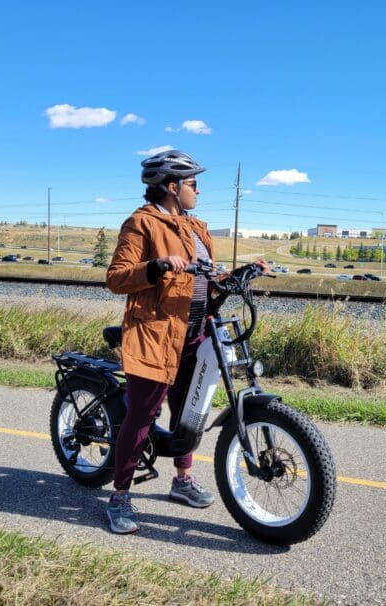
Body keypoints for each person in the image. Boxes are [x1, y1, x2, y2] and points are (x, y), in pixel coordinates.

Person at [105, 149, 265, 534]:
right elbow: (117, 277)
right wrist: (156, 267)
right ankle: (120, 497)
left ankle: (182, 480)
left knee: (188, 412)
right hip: (156, 334)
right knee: (141, 416)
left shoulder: (195, 228)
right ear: (172, 187)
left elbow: (209, 280)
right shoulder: (141, 224)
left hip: (196, 333)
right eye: (193, 183)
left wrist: (244, 273)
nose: (199, 190)